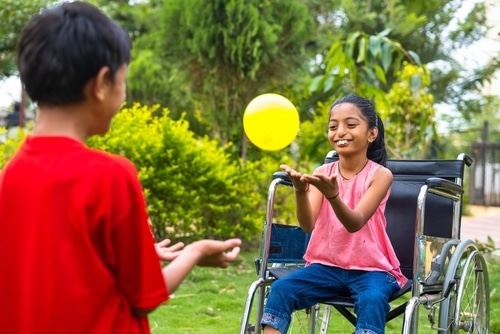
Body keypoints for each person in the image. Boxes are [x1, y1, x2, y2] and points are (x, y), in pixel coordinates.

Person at [0, 2, 241, 334]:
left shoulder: (10, 176)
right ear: (101, 83)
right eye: (123, 82)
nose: (123, 95)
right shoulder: (111, 175)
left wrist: (138, 251)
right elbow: (145, 298)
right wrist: (196, 252)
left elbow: (53, 264)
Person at [261, 95, 407, 334]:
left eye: (350, 125)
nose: (340, 132)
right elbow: (307, 225)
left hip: (372, 269)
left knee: (372, 300)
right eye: (333, 126)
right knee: (281, 289)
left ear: (372, 134)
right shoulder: (323, 172)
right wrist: (300, 190)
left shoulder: (380, 176)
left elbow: (355, 223)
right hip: (326, 266)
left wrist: (333, 196)